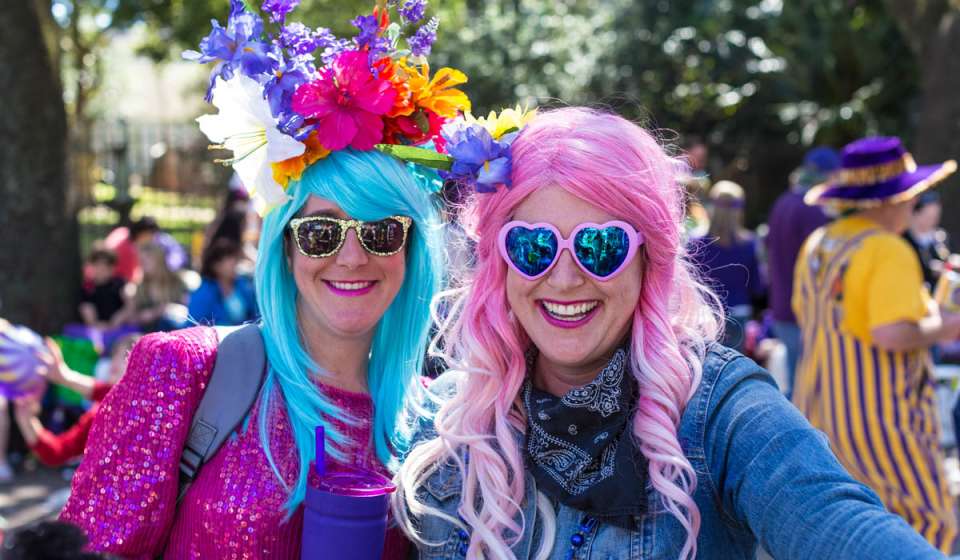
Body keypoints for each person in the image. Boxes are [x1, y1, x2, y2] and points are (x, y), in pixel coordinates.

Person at [394, 108, 946, 559]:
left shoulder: (719, 413)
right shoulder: (445, 422)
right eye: (533, 246)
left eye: (599, 246)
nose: (563, 278)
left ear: (648, 259)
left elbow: (838, 524)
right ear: (501, 263)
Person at [59, 1, 467, 557]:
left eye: (382, 232)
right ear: (285, 249)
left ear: (412, 251)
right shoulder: (184, 373)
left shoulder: (430, 428)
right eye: (322, 232)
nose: (351, 258)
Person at [792, 136, 960, 552]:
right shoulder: (886, 249)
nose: (913, 204)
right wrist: (944, 329)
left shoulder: (819, 244)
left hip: (820, 420)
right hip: (884, 425)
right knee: (925, 528)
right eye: (910, 195)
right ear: (889, 199)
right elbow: (890, 333)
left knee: (845, 535)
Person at [765, 146, 840, 397]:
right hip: (805, 312)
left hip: (781, 308)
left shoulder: (782, 202)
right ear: (828, 175)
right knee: (808, 389)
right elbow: (822, 264)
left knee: (797, 381)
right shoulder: (814, 209)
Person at [12, 335, 139, 467]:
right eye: (116, 354)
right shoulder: (100, 414)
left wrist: (65, 377)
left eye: (127, 356)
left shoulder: (153, 410)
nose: (116, 360)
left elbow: (123, 398)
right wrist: (26, 421)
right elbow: (57, 453)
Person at [688, 180, 766, 352]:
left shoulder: (695, 242)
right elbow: (757, 287)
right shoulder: (749, 243)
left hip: (705, 315)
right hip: (738, 314)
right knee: (734, 372)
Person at [187, 239, 259, 326]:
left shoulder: (243, 286)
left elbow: (255, 317)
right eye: (230, 260)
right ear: (215, 265)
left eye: (236, 259)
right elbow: (193, 325)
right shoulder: (203, 293)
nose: (235, 264)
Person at [131, 241, 188, 332]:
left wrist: (169, 309)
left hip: (175, 330)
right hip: (149, 333)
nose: (143, 263)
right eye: (141, 260)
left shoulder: (176, 282)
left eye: (148, 259)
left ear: (159, 259)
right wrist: (157, 312)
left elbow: (188, 309)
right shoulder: (140, 286)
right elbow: (134, 318)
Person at [903, 191, 952, 290]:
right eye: (928, 216)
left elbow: (946, 261)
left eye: (935, 216)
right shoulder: (903, 238)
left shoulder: (940, 237)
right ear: (915, 214)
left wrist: (948, 265)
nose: (933, 221)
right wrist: (929, 269)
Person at [77, 246, 134, 331]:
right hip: (97, 329)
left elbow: (130, 304)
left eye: (107, 265)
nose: (101, 268)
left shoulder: (119, 283)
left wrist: (120, 317)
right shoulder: (87, 287)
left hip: (119, 328)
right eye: (97, 264)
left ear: (113, 267)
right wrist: (95, 324)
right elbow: (87, 310)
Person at [103, 217, 160, 283]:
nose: (152, 239)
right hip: (110, 281)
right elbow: (132, 278)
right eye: (152, 235)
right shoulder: (130, 250)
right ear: (143, 233)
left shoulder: (122, 231)